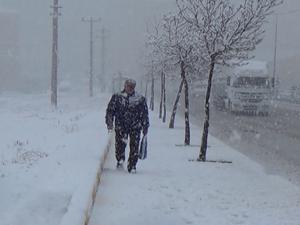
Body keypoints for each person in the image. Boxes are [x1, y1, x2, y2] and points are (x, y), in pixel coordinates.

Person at [105, 78, 149, 173]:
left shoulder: (140, 99)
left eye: (132, 87)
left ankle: (132, 165)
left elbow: (144, 114)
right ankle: (120, 160)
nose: (130, 88)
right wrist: (109, 123)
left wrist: (145, 126)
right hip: (121, 126)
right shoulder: (117, 97)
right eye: (128, 86)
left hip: (135, 127)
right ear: (124, 86)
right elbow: (110, 111)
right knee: (120, 145)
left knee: (135, 147)